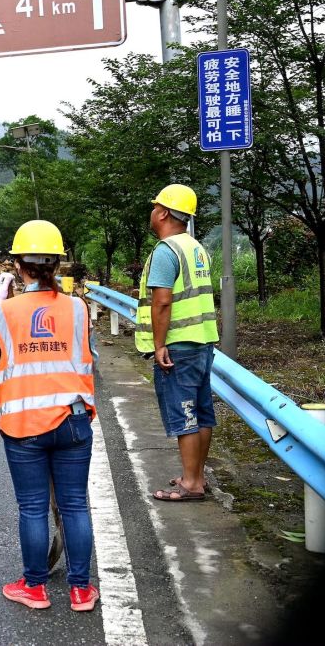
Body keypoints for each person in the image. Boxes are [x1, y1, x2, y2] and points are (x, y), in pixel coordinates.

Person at [0, 220, 99, 612]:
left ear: (19, 265)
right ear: (57, 264)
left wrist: (1, 302)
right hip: (74, 419)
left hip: (23, 425)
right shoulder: (78, 308)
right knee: (74, 505)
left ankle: (34, 588)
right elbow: (88, 350)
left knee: (32, 507)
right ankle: (81, 590)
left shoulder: (4, 312)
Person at [136, 184, 219, 502]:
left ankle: (191, 484)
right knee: (201, 412)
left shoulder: (166, 251)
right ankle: (195, 475)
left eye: (155, 206)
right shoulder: (196, 248)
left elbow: (162, 302)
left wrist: (158, 345)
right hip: (202, 343)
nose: (152, 211)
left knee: (184, 413)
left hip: (178, 347)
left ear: (163, 213)